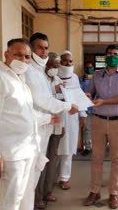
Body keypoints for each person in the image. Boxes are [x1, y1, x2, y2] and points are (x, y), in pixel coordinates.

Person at [0, 38, 56, 210]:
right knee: (7, 203)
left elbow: (25, 115)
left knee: (25, 199)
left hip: (27, 151)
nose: (23, 60)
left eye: (27, 57)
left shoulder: (20, 81)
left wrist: (48, 118)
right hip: (9, 156)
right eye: (18, 55)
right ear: (7, 54)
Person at [25, 33, 78, 209]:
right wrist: (67, 105)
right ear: (31, 48)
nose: (43, 51)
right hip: (32, 130)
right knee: (27, 179)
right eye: (39, 47)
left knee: (38, 169)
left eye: (46, 48)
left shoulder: (41, 72)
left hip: (47, 128)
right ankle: (33, 200)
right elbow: (43, 100)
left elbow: (49, 96)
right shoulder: (30, 71)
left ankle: (39, 196)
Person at [84, 44, 118, 209]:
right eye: (109, 54)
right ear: (105, 57)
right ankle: (94, 191)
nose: (112, 56)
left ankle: (113, 193)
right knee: (96, 158)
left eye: (115, 54)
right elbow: (90, 92)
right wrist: (87, 95)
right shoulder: (97, 75)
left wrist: (103, 101)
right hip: (98, 120)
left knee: (116, 159)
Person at [57, 50, 87, 190]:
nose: (68, 63)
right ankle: (50, 178)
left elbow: (78, 96)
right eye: (65, 60)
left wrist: (83, 116)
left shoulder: (74, 77)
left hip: (71, 118)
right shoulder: (53, 75)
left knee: (68, 150)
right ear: (59, 61)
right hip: (56, 117)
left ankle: (64, 178)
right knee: (54, 149)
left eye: (70, 61)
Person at [79, 61, 94, 156]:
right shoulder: (80, 79)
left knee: (98, 129)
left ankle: (97, 147)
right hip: (85, 108)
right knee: (87, 128)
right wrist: (83, 81)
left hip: (96, 108)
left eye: (91, 67)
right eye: (87, 67)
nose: (89, 69)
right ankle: (87, 147)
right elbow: (77, 91)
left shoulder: (96, 79)